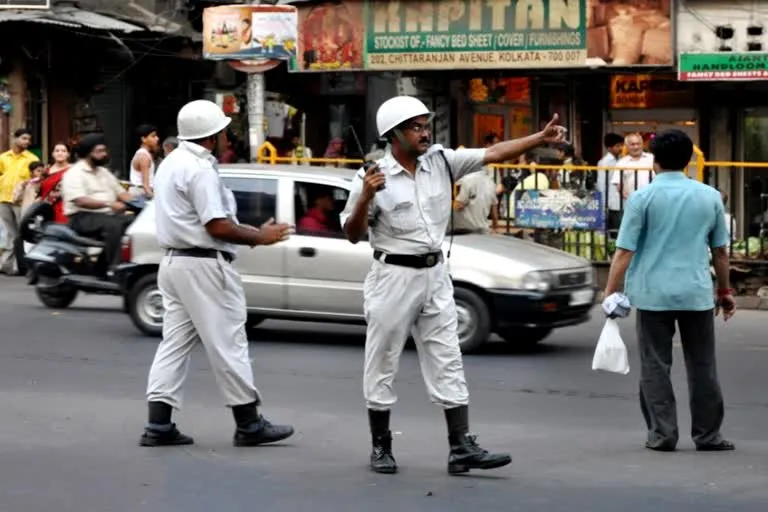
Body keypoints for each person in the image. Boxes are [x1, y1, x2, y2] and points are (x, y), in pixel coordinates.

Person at [340, 95, 567, 474]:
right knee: (382, 360)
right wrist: (366, 196)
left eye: (426, 125)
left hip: (435, 274)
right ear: (393, 135)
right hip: (392, 276)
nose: (425, 132)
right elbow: (352, 233)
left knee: (448, 357)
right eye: (416, 127)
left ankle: (460, 446)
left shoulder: (443, 161)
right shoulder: (371, 177)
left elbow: (494, 152)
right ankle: (381, 446)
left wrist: (538, 139)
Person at [141, 99, 294, 448]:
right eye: (225, 131)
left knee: (174, 346)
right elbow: (217, 226)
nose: (228, 136)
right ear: (213, 136)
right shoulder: (199, 168)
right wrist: (259, 237)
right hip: (203, 266)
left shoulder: (170, 163)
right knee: (229, 343)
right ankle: (249, 423)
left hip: (175, 264)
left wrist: (251, 231)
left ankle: (158, 425)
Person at [603, 129, 736, 453]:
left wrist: (610, 292)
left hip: (652, 295)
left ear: (655, 160)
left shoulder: (641, 198)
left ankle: (663, 435)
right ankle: (708, 436)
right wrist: (725, 291)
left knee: (655, 365)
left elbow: (623, 252)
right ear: (690, 159)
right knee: (703, 365)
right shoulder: (710, 197)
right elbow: (720, 252)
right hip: (696, 294)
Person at [60, 134, 135, 277]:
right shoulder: (74, 173)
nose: (104, 154)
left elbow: (121, 192)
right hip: (81, 217)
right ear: (89, 153)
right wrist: (109, 204)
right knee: (114, 226)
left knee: (134, 222)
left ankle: (104, 266)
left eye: (104, 151)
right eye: (99, 151)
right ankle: (115, 269)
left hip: (105, 216)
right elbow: (80, 201)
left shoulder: (103, 172)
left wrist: (140, 203)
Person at [0, 128, 39, 275]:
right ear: (15, 138)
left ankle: (25, 265)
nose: (27, 142)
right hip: (4, 199)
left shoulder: (32, 159)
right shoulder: (3, 157)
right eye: (24, 138)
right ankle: (7, 265)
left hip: (21, 202)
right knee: (10, 233)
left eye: (28, 139)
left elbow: (37, 179)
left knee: (23, 233)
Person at [610, 133, 655, 208]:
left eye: (638, 144)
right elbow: (619, 185)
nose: (636, 147)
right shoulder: (621, 163)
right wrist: (631, 200)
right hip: (631, 205)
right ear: (627, 146)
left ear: (642, 145)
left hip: (652, 203)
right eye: (632, 144)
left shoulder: (652, 159)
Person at [453, 169, 498, 234]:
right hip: (483, 229)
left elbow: (459, 206)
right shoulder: (491, 183)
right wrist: (495, 227)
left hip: (464, 228)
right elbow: (494, 211)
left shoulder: (467, 179)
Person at [39, 143, 73, 224]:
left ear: (68, 154)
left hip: (65, 210)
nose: (60, 153)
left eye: (63, 151)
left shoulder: (72, 171)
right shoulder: (46, 171)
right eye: (57, 151)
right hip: (47, 209)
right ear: (53, 154)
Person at [596, 133, 624, 232]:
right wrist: (604, 204)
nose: (620, 148)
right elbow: (602, 184)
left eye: (621, 145)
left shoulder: (621, 160)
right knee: (614, 230)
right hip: (611, 202)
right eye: (617, 146)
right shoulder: (604, 162)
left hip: (620, 201)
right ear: (609, 148)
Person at [130, 124, 159, 199]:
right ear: (143, 139)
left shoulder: (145, 154)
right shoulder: (143, 156)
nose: (157, 138)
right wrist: (155, 199)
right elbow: (145, 185)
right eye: (153, 136)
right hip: (141, 194)